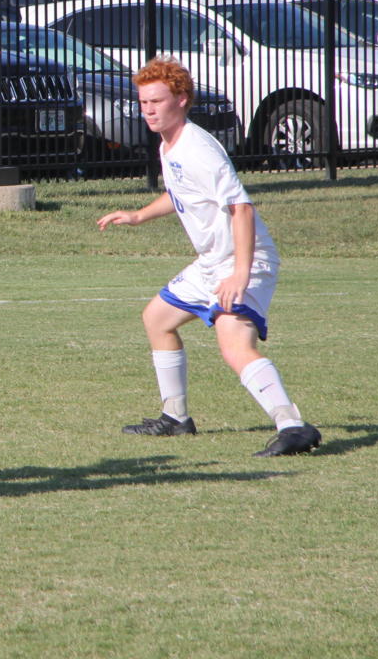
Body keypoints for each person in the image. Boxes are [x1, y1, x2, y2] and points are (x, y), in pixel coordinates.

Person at [97, 56, 321, 457]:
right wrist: (138, 215)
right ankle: (176, 418)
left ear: (181, 99)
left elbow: (242, 209)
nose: (148, 109)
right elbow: (181, 192)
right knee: (157, 318)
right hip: (212, 262)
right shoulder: (169, 144)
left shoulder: (200, 149)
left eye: (157, 101)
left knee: (233, 344)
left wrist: (239, 273)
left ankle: (294, 427)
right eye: (143, 101)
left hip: (246, 260)